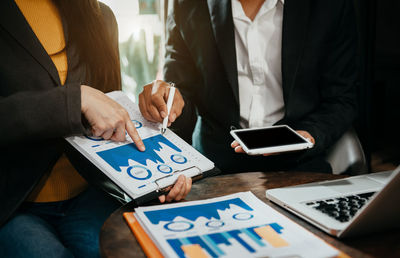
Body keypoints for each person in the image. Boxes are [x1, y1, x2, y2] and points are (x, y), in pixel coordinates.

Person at [0, 0, 191, 257]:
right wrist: (73, 101)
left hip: (93, 195)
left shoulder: (99, 16)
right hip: (12, 205)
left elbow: (112, 126)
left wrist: (160, 175)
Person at [139, 0, 358, 173]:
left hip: (299, 165)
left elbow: (342, 98)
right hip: (215, 166)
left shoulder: (329, 5)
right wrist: (165, 100)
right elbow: (181, 92)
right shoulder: (188, 4)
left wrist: (309, 134)